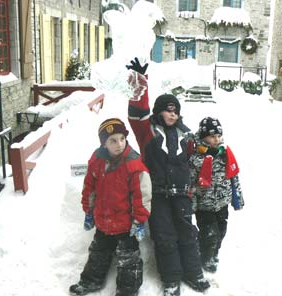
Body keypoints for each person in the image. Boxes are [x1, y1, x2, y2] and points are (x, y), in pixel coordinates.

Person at [126, 58, 210, 296]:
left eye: (176, 111)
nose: (173, 115)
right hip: (159, 194)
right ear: (158, 111)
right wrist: (139, 81)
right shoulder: (147, 131)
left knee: (188, 234)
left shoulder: (186, 136)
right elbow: (136, 112)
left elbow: (196, 159)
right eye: (168, 110)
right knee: (164, 236)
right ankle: (171, 279)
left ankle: (193, 273)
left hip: (182, 194)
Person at [69, 118, 152, 296]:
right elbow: (89, 188)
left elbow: (142, 195)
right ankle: (91, 281)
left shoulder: (133, 164)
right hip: (103, 221)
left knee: (128, 260)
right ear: (104, 143)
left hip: (126, 225)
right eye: (112, 140)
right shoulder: (97, 160)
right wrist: (89, 212)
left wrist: (139, 220)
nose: (119, 144)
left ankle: (128, 290)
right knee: (98, 253)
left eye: (122, 138)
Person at [189, 117, 244, 273]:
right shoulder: (196, 157)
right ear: (203, 136)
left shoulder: (225, 154)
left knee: (221, 230)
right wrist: (191, 204)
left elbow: (234, 176)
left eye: (218, 136)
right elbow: (191, 182)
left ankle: (213, 252)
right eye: (212, 136)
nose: (216, 139)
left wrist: (237, 197)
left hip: (222, 202)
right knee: (209, 233)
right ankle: (206, 257)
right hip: (204, 205)